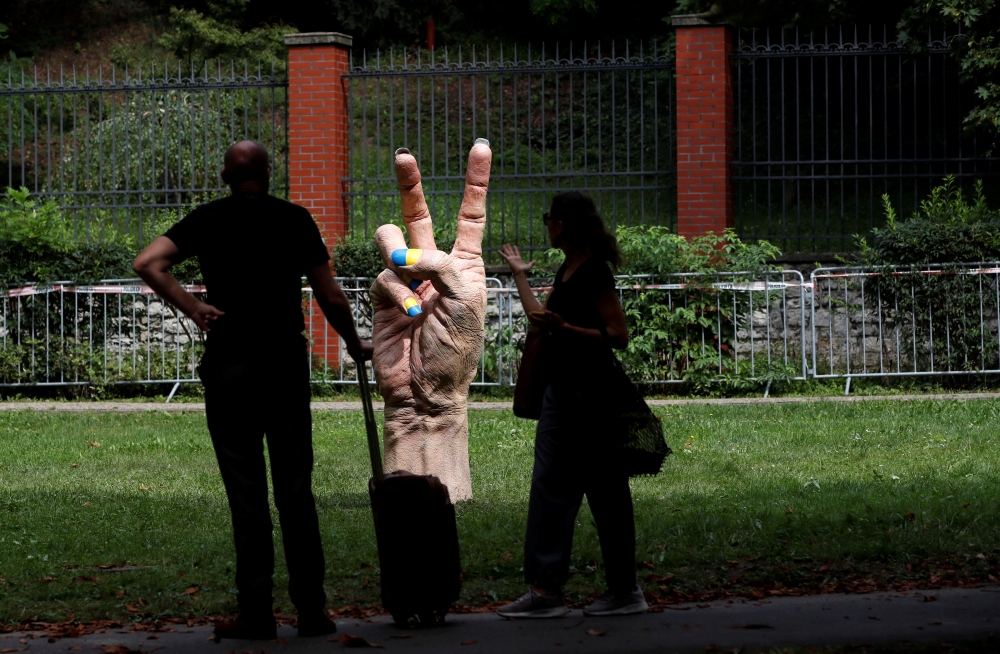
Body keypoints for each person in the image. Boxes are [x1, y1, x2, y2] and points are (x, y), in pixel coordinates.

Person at [132, 140, 373, 640]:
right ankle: (312, 611)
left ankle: (256, 614)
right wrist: (355, 344)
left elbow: (147, 263)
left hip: (231, 369)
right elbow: (329, 293)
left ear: (226, 175)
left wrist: (194, 308)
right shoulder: (295, 219)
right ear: (268, 174)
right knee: (295, 490)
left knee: (247, 493)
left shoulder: (209, 218)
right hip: (284, 365)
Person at [496, 191, 647, 618]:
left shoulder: (594, 273)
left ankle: (624, 590)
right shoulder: (567, 270)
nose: (547, 225)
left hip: (593, 396)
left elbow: (618, 335)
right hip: (561, 395)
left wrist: (570, 328)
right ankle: (546, 592)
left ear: (561, 225)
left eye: (549, 219)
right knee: (549, 487)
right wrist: (520, 276)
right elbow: (542, 323)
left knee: (606, 491)